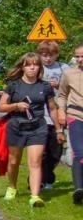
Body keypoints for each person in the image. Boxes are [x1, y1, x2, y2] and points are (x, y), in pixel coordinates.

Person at [0, 51, 62, 208]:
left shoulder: (45, 86)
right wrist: (16, 105)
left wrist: (59, 129)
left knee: (35, 161)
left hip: (38, 127)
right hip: (16, 126)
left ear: (40, 68)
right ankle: (12, 186)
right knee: (14, 161)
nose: (32, 68)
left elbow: (53, 108)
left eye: (36, 65)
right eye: (29, 65)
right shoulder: (13, 85)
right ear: (23, 67)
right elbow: (1, 107)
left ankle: (35, 196)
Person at [38, 40, 65, 189]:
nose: (48, 58)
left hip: (57, 114)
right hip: (40, 114)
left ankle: (48, 177)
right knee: (40, 151)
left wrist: (59, 85)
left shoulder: (63, 68)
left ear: (56, 55)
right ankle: (38, 180)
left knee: (55, 151)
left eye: (51, 55)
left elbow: (70, 87)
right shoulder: (36, 67)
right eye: (44, 55)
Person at [60, 43, 83, 205]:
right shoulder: (69, 74)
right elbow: (62, 95)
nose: (80, 60)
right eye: (77, 56)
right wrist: (61, 111)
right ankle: (78, 189)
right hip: (75, 115)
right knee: (80, 152)